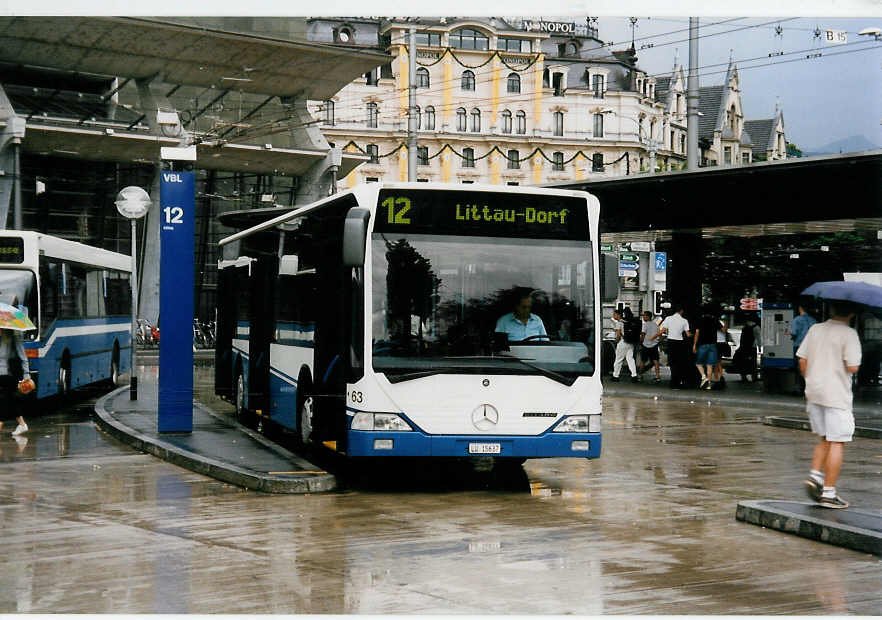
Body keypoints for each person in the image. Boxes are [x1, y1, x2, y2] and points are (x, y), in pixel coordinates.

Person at [796, 300, 861, 509]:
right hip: (836, 395)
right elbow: (852, 366)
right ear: (852, 313)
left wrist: (813, 379)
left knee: (824, 437)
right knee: (837, 441)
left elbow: (802, 361)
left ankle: (815, 476)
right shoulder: (849, 334)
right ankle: (829, 493)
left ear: (831, 309)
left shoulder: (815, 329)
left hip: (814, 392)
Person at [0, 325, 30, 437]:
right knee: (10, 400)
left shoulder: (13, 334)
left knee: (3, 400)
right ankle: (22, 424)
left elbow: (23, 356)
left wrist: (27, 375)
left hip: (9, 374)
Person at [660, 305, 691, 389]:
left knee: (672, 362)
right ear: (681, 311)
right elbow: (688, 335)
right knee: (679, 362)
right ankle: (678, 381)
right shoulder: (684, 320)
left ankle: (673, 382)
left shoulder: (668, 318)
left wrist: (655, 337)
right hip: (679, 343)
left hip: (670, 342)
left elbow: (662, 330)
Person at [693, 306, 721, 390]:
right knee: (710, 365)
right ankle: (708, 384)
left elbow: (697, 333)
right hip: (713, 345)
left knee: (698, 363)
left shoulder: (700, 320)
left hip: (702, 344)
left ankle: (703, 376)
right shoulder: (715, 320)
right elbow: (723, 329)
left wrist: (694, 344)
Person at [790, 304, 816, 392]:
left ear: (800, 308)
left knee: (798, 367)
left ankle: (798, 387)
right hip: (811, 348)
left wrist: (793, 338)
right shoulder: (813, 320)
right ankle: (808, 388)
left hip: (799, 346)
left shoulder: (797, 320)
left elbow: (793, 333)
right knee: (810, 368)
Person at [611, 308, 639, 382]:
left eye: (614, 314)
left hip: (622, 342)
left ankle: (615, 376)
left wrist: (616, 342)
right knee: (630, 359)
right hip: (630, 343)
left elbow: (618, 335)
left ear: (618, 315)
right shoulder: (628, 322)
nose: (613, 315)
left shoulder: (619, 323)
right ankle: (634, 375)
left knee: (618, 360)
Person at [733, 314, 760, 382]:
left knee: (744, 362)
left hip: (744, 348)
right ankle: (754, 377)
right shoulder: (756, 327)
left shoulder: (745, 327)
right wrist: (759, 347)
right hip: (752, 348)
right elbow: (758, 338)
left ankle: (743, 377)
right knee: (753, 363)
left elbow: (742, 339)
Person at [638, 310, 661, 383]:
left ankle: (640, 375)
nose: (643, 317)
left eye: (644, 315)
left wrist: (641, 342)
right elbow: (659, 335)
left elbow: (643, 334)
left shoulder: (645, 325)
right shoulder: (656, 325)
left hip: (646, 345)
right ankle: (657, 377)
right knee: (656, 361)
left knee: (643, 361)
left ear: (648, 317)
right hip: (654, 345)